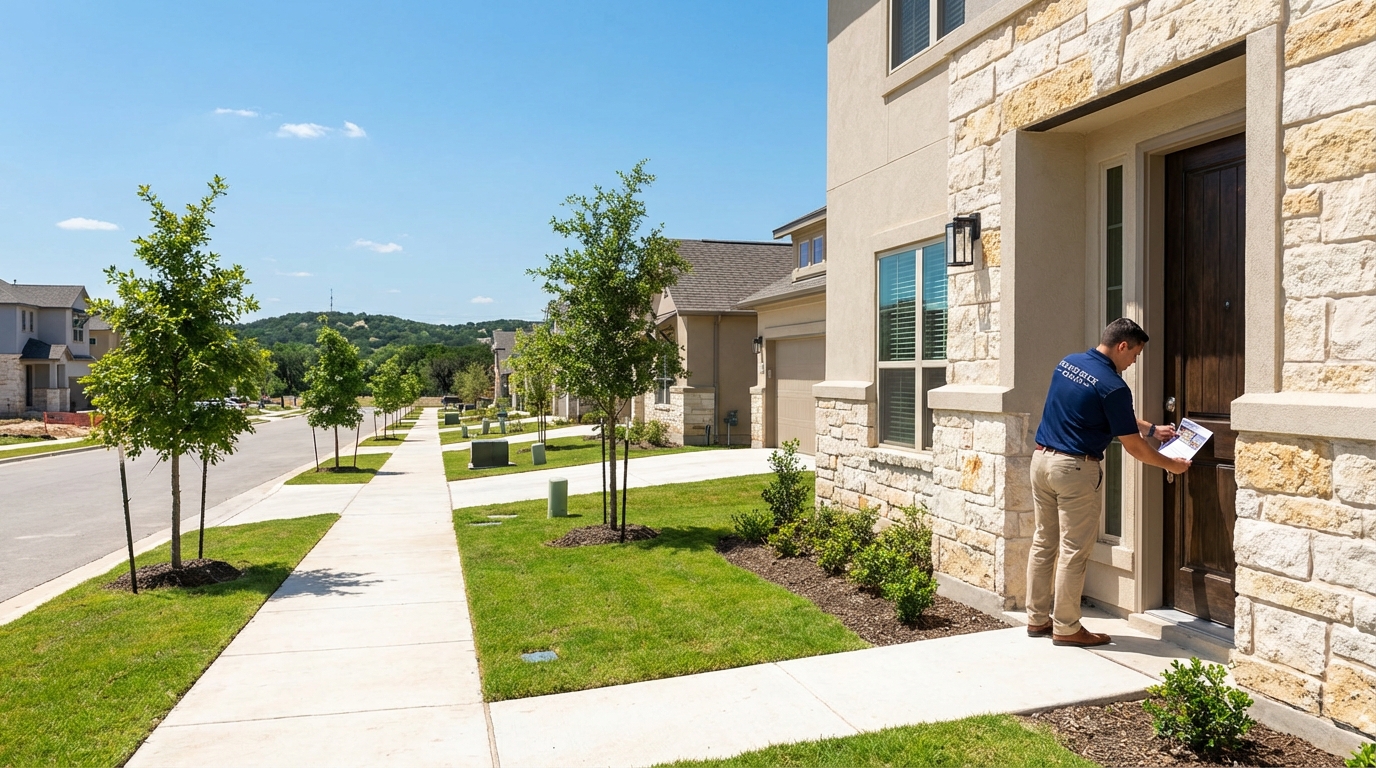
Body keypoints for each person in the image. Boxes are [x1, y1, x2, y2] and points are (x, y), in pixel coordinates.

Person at [1026, 318, 1191, 647]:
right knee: (1074, 551)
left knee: (1044, 544)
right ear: (1122, 346)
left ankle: (1037, 619)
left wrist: (1151, 429)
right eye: (1135, 355)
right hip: (1074, 469)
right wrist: (1171, 464)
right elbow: (1133, 448)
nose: (1134, 362)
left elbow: (1097, 411)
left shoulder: (1069, 362)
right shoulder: (1114, 386)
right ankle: (1067, 627)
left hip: (1041, 462)